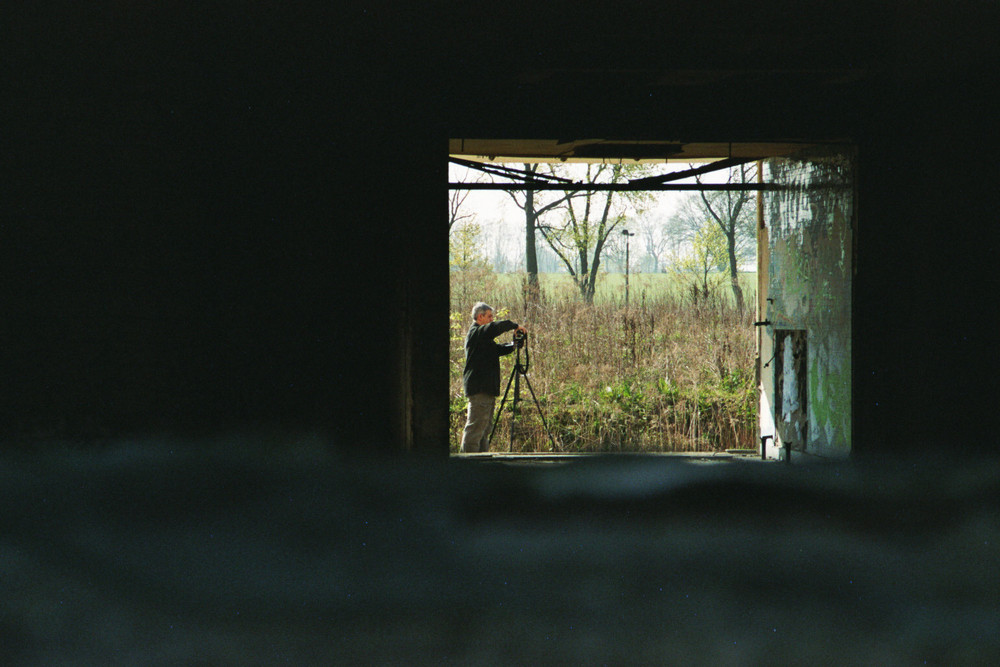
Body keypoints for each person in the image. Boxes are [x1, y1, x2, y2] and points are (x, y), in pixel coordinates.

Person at [460, 302, 526, 453]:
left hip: (487, 389)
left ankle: (482, 464)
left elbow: (498, 349)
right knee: (475, 430)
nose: (491, 319)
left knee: (484, 431)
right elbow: (493, 328)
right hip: (479, 389)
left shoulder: (483, 339)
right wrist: (514, 325)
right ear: (480, 316)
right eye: (489, 316)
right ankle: (469, 466)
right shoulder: (476, 332)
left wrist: (515, 344)